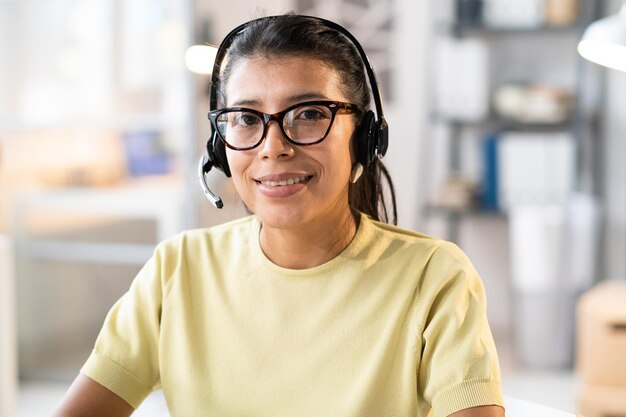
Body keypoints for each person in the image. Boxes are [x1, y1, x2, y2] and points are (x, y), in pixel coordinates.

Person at [54, 14, 505, 417]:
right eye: (246, 118)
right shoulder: (178, 269)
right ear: (219, 146)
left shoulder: (434, 278)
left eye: (309, 113)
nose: (274, 146)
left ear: (364, 138)